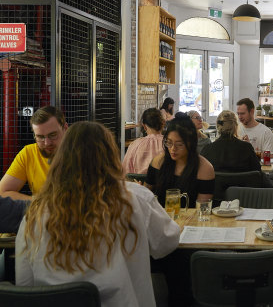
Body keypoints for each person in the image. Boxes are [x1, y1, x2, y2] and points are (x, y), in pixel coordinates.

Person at [16, 121, 180, 307]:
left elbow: (24, 283)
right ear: (110, 155)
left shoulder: (37, 210)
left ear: (61, 158)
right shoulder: (135, 198)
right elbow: (167, 242)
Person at [0, 106, 68, 200]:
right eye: (40, 137)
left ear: (65, 128)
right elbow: (2, 192)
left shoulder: (82, 152)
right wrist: (39, 203)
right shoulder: (28, 153)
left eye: (52, 135)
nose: (47, 143)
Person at [145, 117, 215, 208]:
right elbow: (146, 197)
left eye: (179, 144)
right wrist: (140, 191)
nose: (173, 149)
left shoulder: (204, 169)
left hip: (190, 220)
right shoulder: (158, 162)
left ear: (191, 143)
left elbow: (202, 209)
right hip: (160, 218)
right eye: (169, 142)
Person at [122, 108, 165, 175]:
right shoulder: (168, 144)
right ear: (163, 124)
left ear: (144, 126)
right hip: (164, 184)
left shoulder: (135, 144)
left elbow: (125, 171)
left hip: (138, 184)